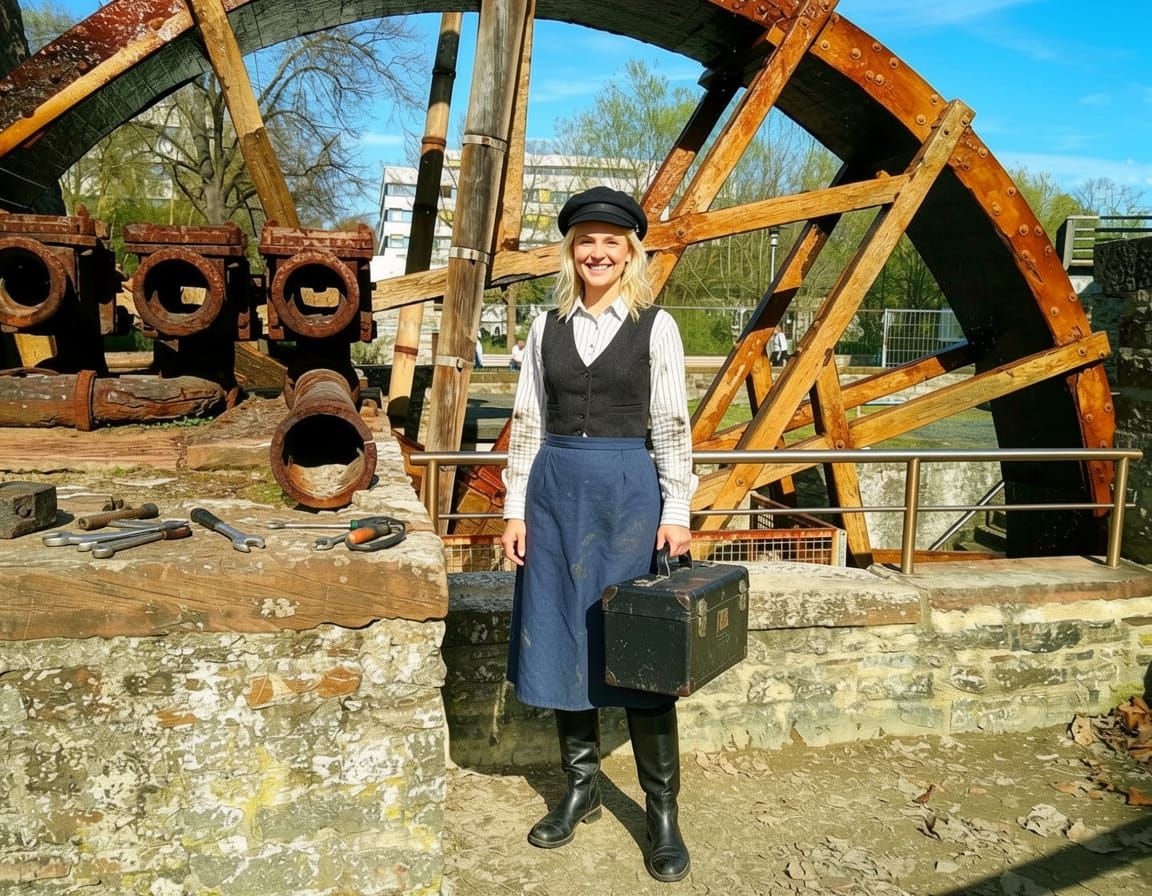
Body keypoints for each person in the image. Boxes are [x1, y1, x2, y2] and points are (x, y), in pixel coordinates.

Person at [500, 186, 697, 883]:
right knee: (561, 644)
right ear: (571, 250)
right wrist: (513, 509)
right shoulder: (542, 326)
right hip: (554, 494)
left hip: (627, 498)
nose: (598, 251)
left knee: (641, 655)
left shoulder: (656, 326)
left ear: (630, 252)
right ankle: (579, 789)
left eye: (612, 241)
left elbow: (672, 425)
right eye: (587, 239)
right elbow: (526, 421)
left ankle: (662, 812)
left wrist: (677, 511)